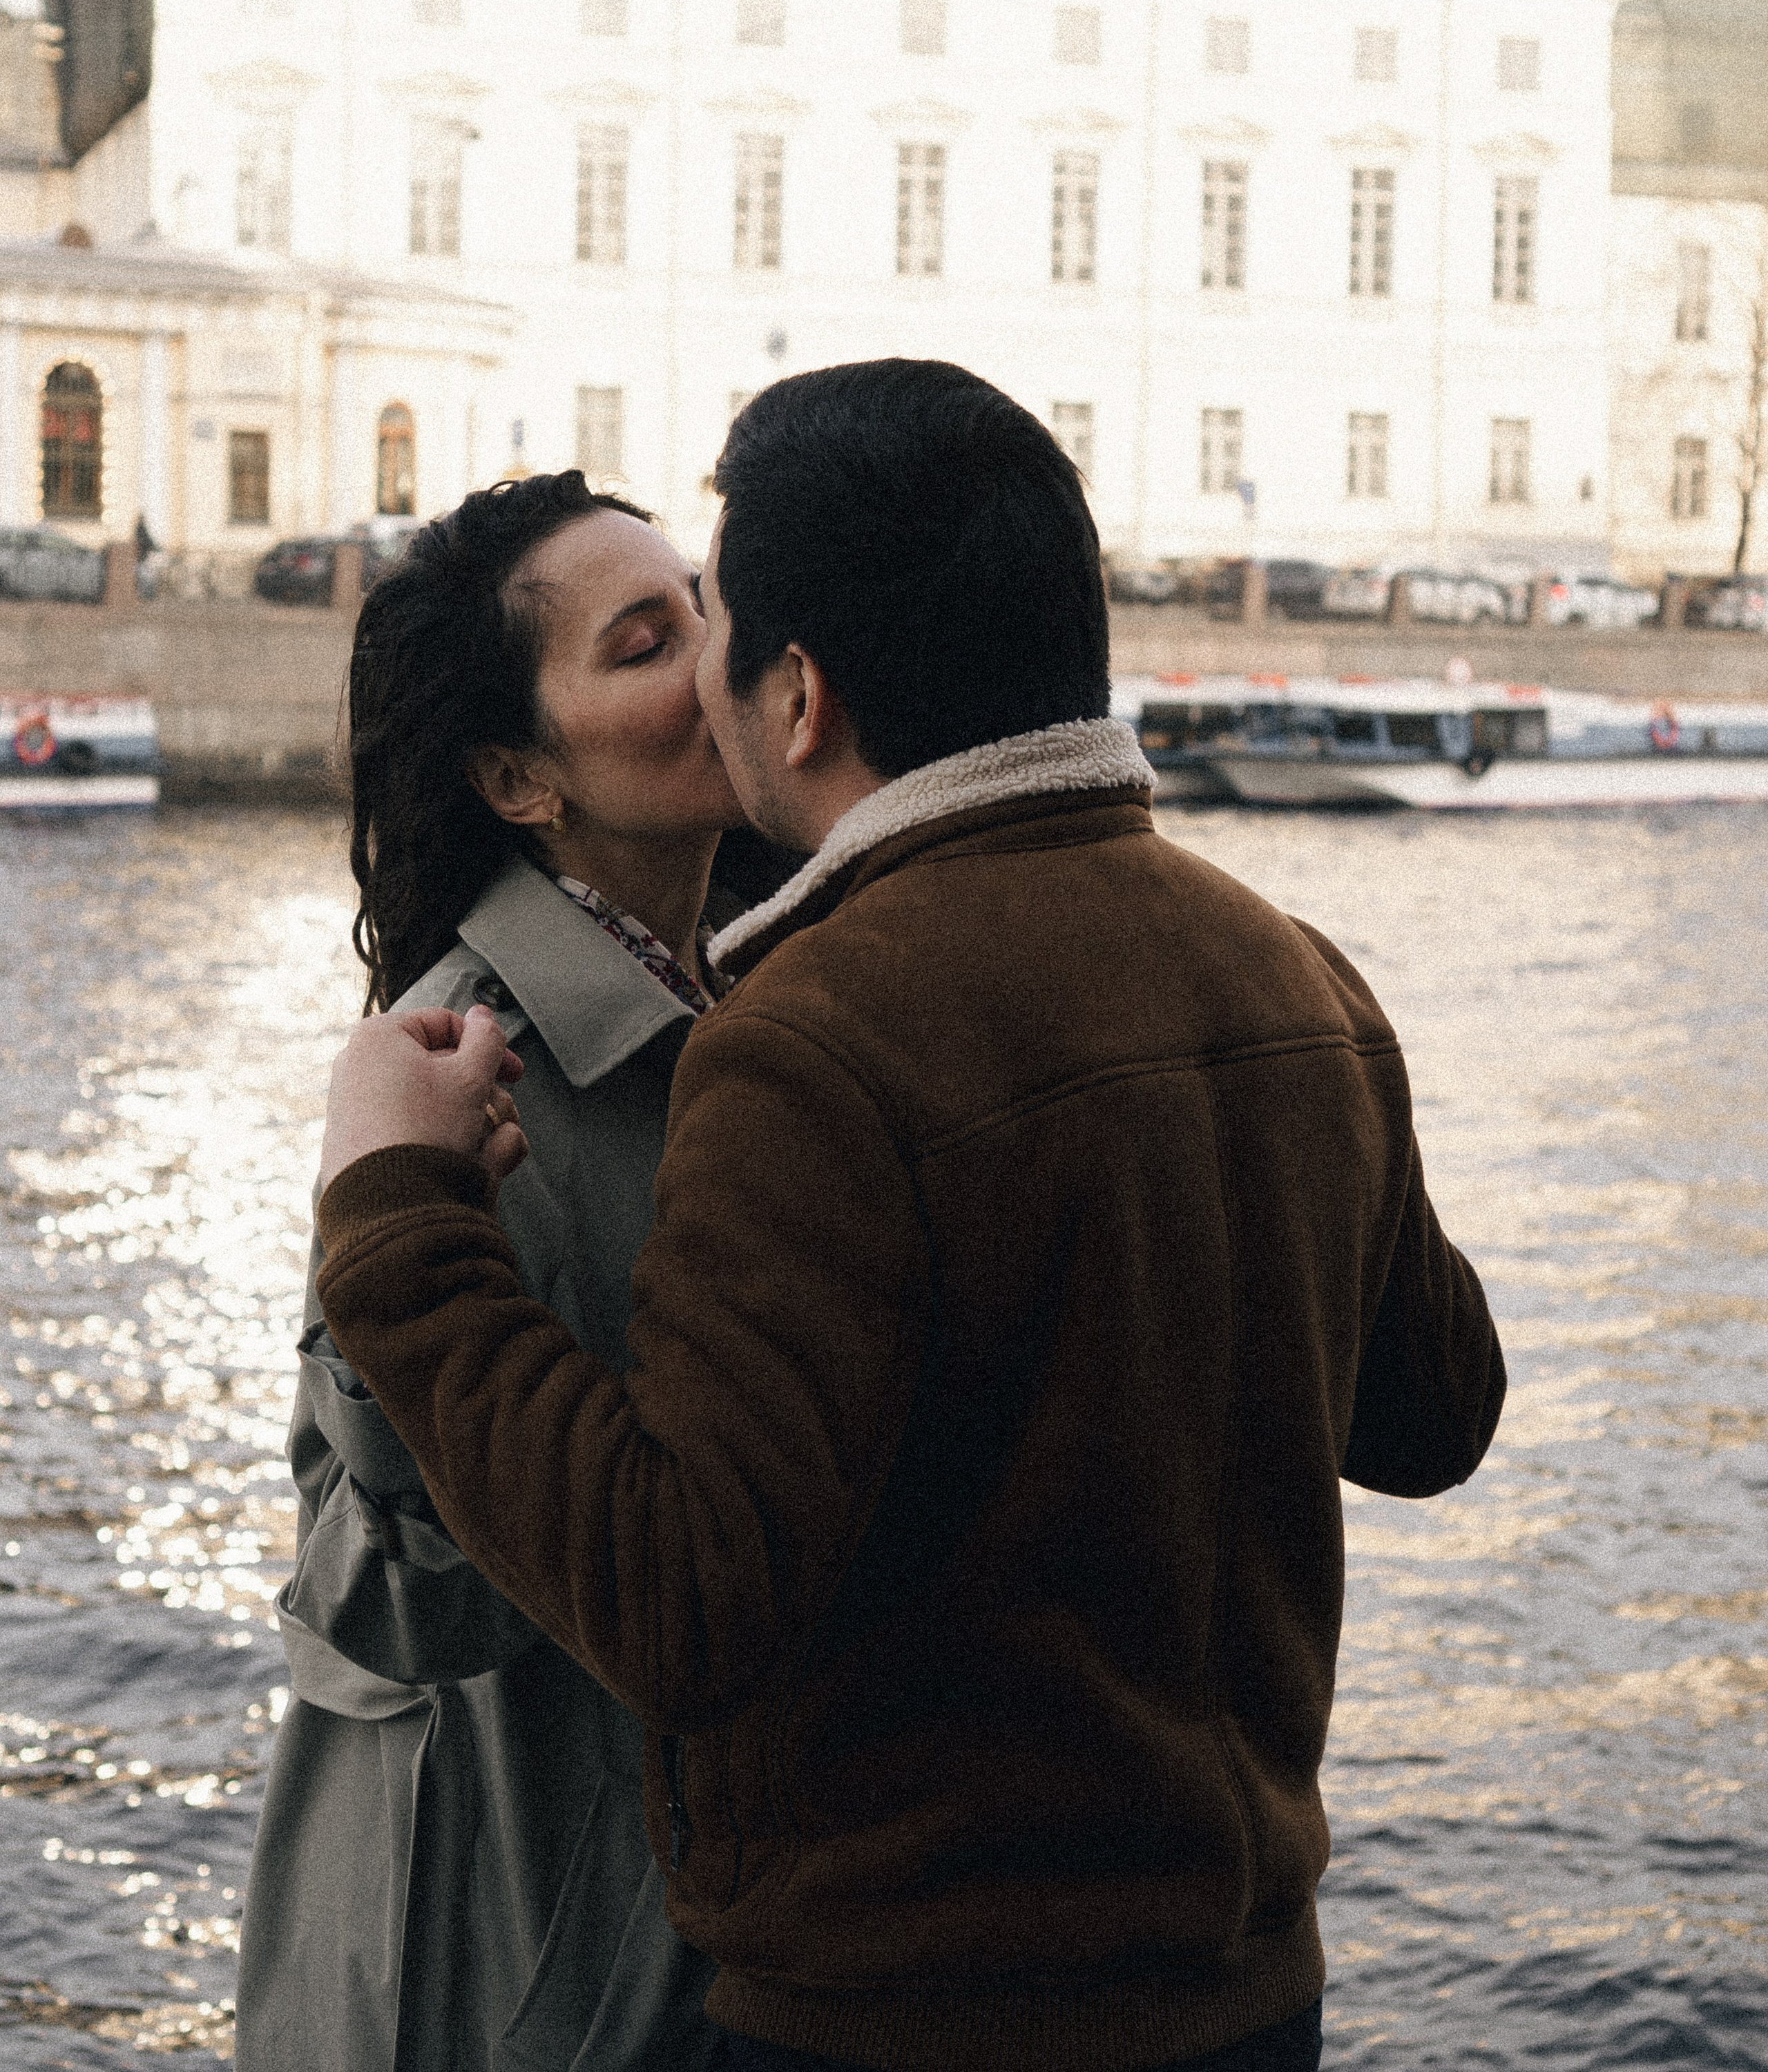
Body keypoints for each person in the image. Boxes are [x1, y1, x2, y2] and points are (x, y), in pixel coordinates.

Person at [310, 360, 1507, 2072]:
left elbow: (679, 1602)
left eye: (713, 622)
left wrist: (404, 1226)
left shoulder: (810, 1039)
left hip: (909, 2010)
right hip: (1244, 1990)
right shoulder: (1291, 965)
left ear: (792, 700)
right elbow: (1432, 1417)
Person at [237, 469, 762, 2072]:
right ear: (523, 781)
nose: (720, 655)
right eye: (644, 640)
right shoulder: (463, 1068)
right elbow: (380, 1602)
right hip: (505, 1970)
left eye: (706, 601)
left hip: (680, 1945)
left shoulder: (759, 994)